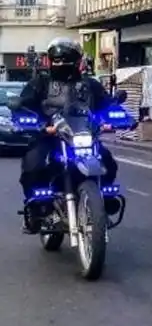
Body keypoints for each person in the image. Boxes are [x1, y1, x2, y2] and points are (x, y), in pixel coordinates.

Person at [15, 38, 120, 232]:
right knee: (34, 164)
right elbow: (23, 104)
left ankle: (105, 198)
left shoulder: (91, 85)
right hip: (50, 136)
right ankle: (36, 209)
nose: (61, 64)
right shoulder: (40, 83)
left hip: (82, 136)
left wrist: (118, 117)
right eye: (57, 60)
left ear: (78, 61)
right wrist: (34, 122)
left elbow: (108, 103)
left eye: (67, 60)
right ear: (50, 61)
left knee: (108, 162)